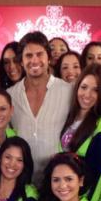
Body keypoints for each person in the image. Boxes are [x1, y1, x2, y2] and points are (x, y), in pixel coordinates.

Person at [8, 31, 72, 182]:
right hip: (21, 180)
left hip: (58, 182)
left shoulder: (68, 91)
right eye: (28, 56)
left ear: (48, 58)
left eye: (39, 54)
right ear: (21, 61)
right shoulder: (10, 95)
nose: (34, 60)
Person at [59, 64, 101, 201]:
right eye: (84, 87)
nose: (87, 94)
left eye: (95, 90)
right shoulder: (68, 116)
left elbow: (98, 175)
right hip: (60, 193)